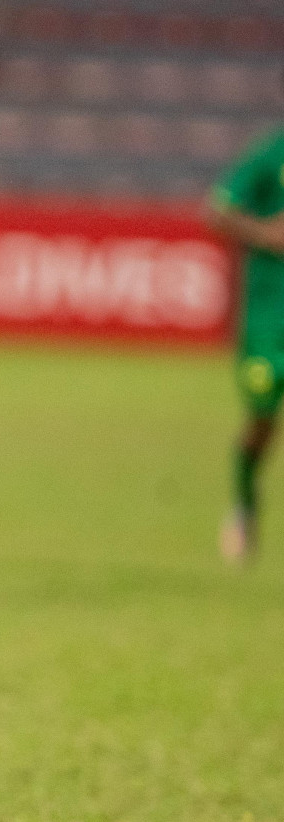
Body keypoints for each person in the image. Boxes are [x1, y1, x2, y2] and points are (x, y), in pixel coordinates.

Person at [210, 105, 284, 563]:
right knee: (261, 421)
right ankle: (244, 505)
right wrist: (266, 233)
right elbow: (216, 211)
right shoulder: (269, 156)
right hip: (265, 323)